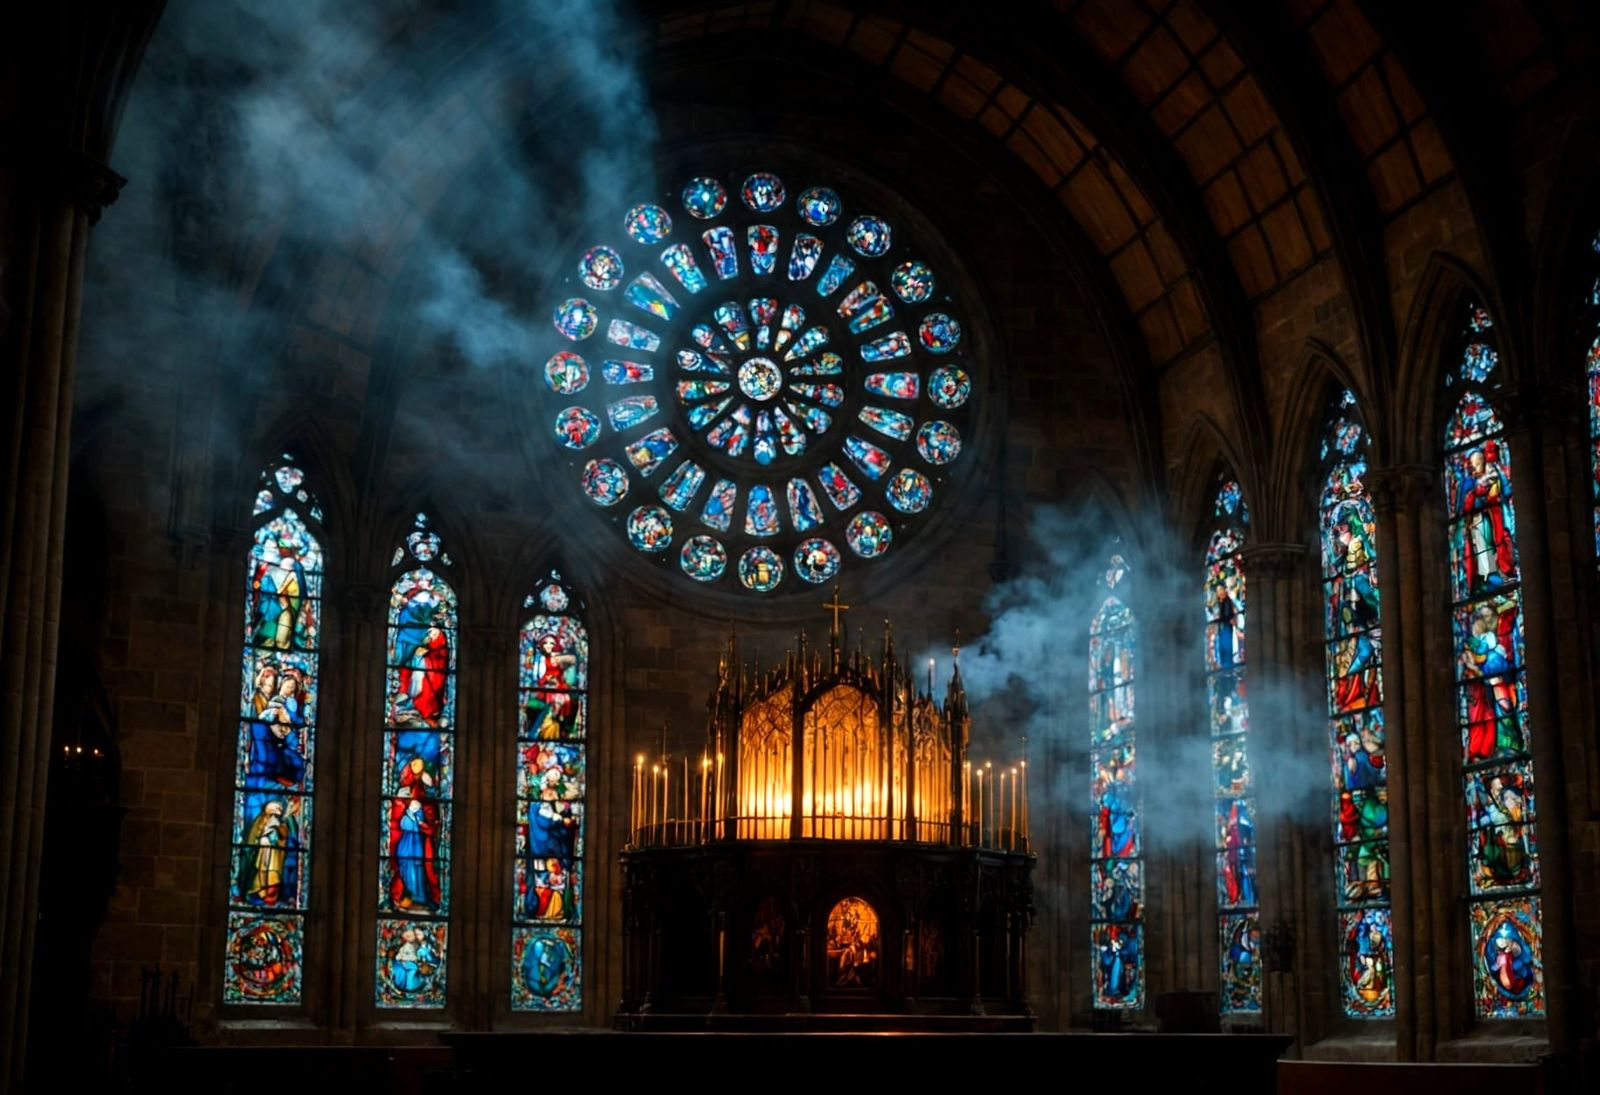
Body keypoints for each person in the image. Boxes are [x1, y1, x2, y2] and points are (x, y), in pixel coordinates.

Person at [394, 600, 451, 727]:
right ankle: (411, 704)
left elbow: (440, 653)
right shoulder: (429, 633)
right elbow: (427, 645)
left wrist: (423, 655)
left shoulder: (441, 635)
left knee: (420, 673)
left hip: (433, 666)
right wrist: (421, 653)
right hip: (427, 663)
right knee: (414, 671)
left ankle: (421, 708)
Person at [236, 799, 294, 905]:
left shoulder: (280, 824)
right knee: (263, 870)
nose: (274, 817)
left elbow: (283, 837)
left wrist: (278, 829)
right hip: (264, 852)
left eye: (277, 814)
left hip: (274, 855)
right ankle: (262, 894)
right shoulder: (262, 822)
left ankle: (270, 895)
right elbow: (256, 837)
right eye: (273, 813)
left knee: (272, 873)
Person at [523, 633, 578, 740]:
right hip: (546, 687)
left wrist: (558, 658)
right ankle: (539, 730)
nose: (549, 645)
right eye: (546, 643)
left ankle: (563, 728)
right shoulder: (541, 659)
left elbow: (573, 659)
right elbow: (536, 673)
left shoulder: (557, 657)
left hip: (559, 687)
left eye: (551, 643)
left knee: (566, 700)